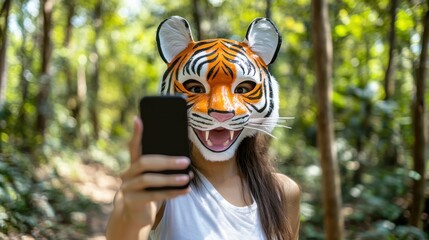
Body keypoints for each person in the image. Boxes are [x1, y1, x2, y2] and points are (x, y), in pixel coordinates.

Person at [106, 16, 300, 240]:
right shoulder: (161, 190)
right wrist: (132, 210)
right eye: (195, 87)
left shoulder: (283, 193)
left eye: (244, 87)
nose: (221, 109)